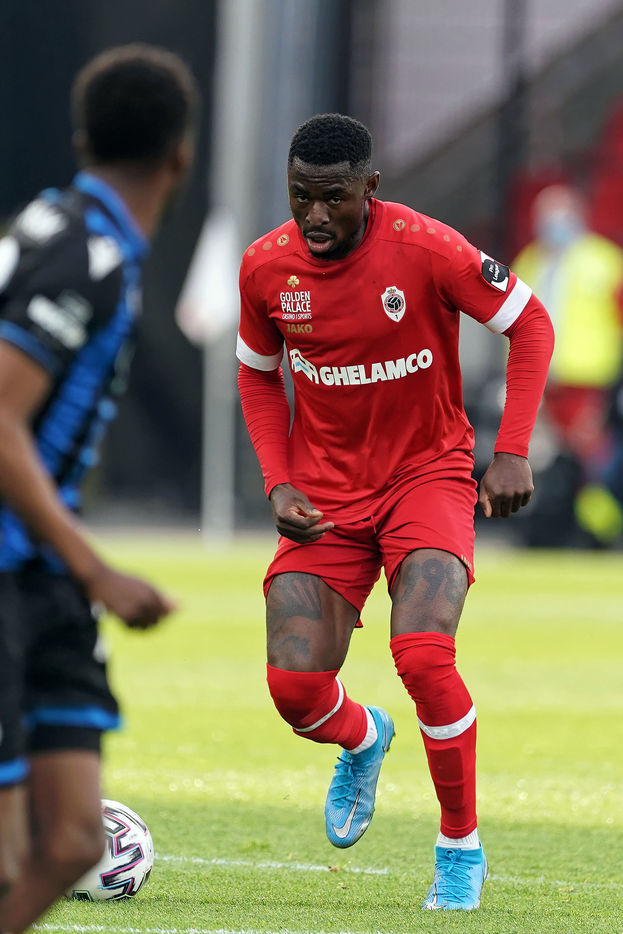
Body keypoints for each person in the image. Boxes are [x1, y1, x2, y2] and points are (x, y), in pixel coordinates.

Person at [237, 113, 554, 911]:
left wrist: (512, 449)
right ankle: (363, 737)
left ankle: (458, 848)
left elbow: (530, 323)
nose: (314, 215)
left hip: (427, 476)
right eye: (299, 196)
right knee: (293, 691)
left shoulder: (426, 248)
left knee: (422, 655)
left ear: (369, 189)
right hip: (326, 493)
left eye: (332, 198)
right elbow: (256, 375)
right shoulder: (265, 269)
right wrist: (277, 482)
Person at [0, 44, 198, 932]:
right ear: (179, 157)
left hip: (39, 573)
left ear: (84, 140)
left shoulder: (66, 230)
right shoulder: (82, 253)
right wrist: (96, 570)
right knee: (11, 851)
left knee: (76, 839)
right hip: (17, 565)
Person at [513, 184, 623, 545]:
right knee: (547, 459)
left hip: (589, 379)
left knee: (592, 459)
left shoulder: (604, 261)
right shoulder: (529, 261)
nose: (552, 223)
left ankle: (603, 532)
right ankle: (554, 529)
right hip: (540, 381)